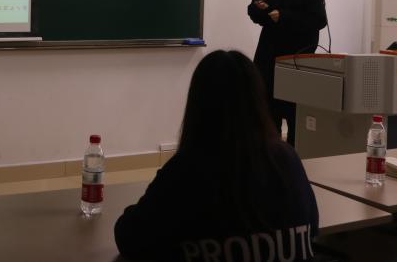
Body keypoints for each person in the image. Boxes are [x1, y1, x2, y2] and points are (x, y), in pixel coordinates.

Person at [114, 50, 319, 262]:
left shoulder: (186, 173)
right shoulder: (287, 160)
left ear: (198, 106)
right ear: (258, 101)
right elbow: (312, 227)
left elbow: (128, 236)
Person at [247, 0, 327, 145]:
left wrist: (283, 16)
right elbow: (252, 10)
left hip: (296, 56)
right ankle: (271, 153)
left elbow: (318, 19)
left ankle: (293, 155)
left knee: (293, 111)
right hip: (268, 54)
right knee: (266, 107)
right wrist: (261, 10)